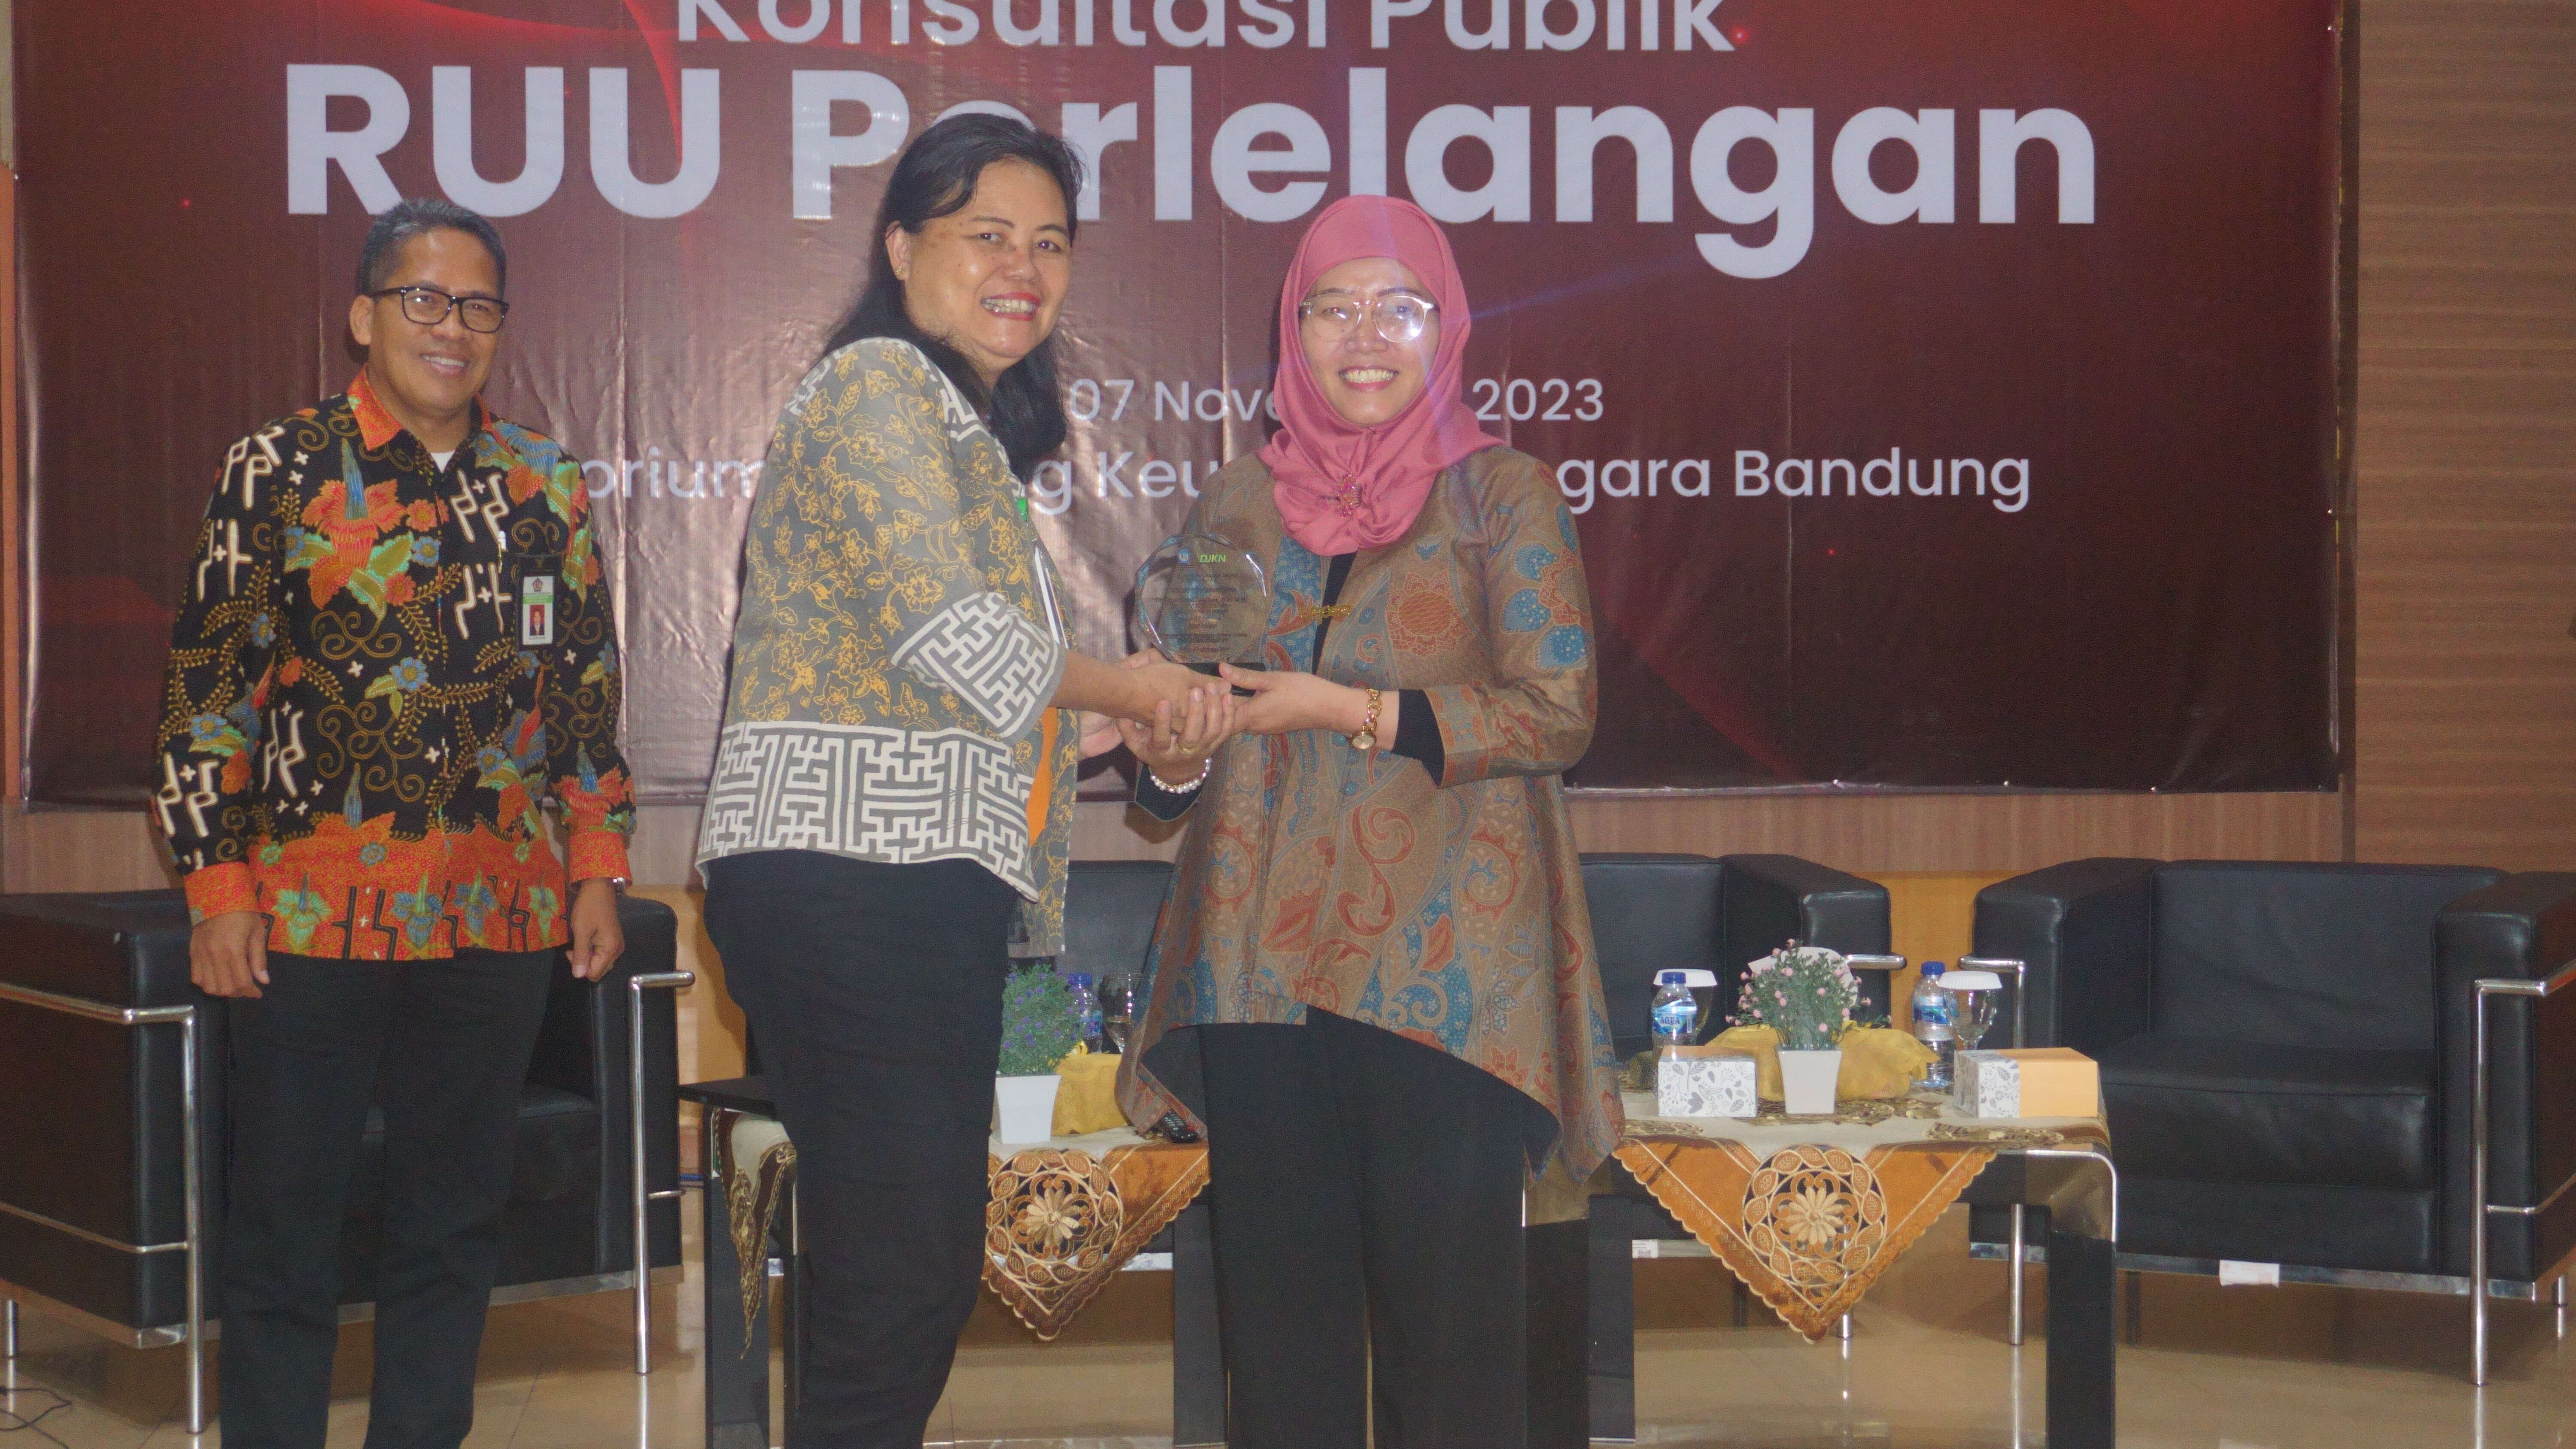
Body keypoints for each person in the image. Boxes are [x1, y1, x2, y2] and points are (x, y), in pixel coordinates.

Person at [694, 114, 1211, 1447]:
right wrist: (1134, 688)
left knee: (899, 1268)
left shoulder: (956, 425)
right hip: (854, 881)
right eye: (987, 234)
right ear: (901, 245)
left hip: (900, 884)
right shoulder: (877, 386)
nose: (1022, 269)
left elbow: (970, 699)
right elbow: (961, 641)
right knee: (901, 1275)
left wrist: (1131, 732)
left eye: (1050, 244)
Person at [1114, 194, 1623, 1449]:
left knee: (1451, 1350)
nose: (1365, 336)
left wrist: (1352, 710)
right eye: (1333, 308)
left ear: (1448, 328)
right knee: (1279, 1343)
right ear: (1293, 328)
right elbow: (1188, 744)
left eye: (1400, 308)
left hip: (1441, 970)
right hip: (1257, 968)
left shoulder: (1502, 494)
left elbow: (1559, 711)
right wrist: (1169, 758)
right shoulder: (1238, 501)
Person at [154, 197, 635, 1448]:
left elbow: (583, 692)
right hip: (308, 917)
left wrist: (595, 865)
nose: (452, 327)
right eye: (424, 299)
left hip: (498, 910)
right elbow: (210, 696)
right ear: (364, 317)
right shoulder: (278, 468)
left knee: (454, 1226)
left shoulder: (545, 482)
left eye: (478, 306)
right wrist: (216, 888)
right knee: (286, 1229)